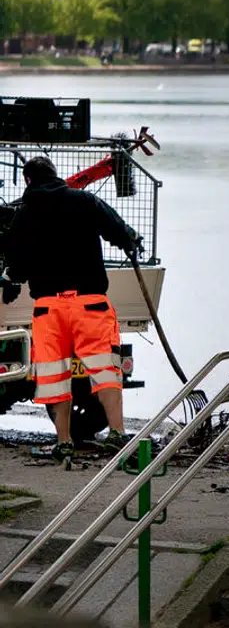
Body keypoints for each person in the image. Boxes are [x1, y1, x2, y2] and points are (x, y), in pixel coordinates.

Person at [2, 156, 142, 463]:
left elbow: (14, 257)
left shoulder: (25, 213)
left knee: (54, 376)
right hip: (90, 304)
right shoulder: (84, 201)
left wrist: (11, 280)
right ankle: (117, 433)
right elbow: (116, 227)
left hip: (49, 309)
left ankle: (64, 442)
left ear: (27, 180)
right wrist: (131, 240)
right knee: (105, 369)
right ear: (56, 175)